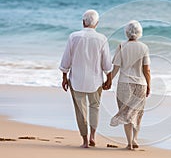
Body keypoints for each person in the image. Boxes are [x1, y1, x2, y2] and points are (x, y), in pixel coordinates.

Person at [59, 9, 112, 148]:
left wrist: (64, 77)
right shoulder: (102, 39)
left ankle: (84, 141)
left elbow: (66, 60)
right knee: (95, 107)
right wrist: (109, 78)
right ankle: (93, 136)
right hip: (95, 81)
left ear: (83, 22)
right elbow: (107, 63)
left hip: (76, 79)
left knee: (80, 110)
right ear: (97, 23)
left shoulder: (73, 37)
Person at [109, 20, 151, 150]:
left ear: (127, 32)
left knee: (126, 113)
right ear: (139, 33)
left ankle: (129, 142)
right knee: (137, 113)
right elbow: (147, 70)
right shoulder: (144, 47)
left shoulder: (122, 46)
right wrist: (149, 85)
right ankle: (135, 138)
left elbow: (116, 67)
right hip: (140, 84)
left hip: (124, 84)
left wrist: (108, 80)